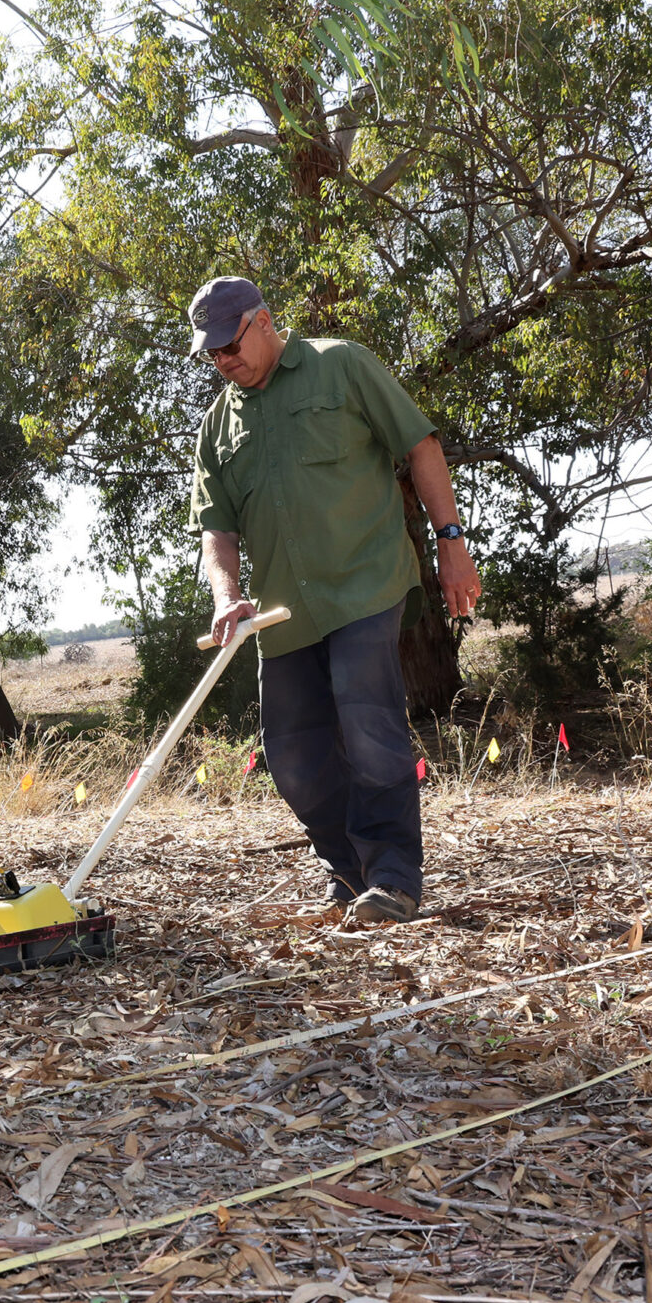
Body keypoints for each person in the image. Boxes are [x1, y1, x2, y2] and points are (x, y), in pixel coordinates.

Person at [185, 276, 482, 926]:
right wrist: (227, 596)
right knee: (292, 756)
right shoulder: (218, 428)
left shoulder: (340, 364)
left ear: (263, 321)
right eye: (211, 353)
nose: (222, 361)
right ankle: (347, 868)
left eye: (230, 344)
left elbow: (419, 444)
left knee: (367, 723)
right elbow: (219, 532)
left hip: (364, 582)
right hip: (284, 611)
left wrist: (450, 541)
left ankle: (394, 877)